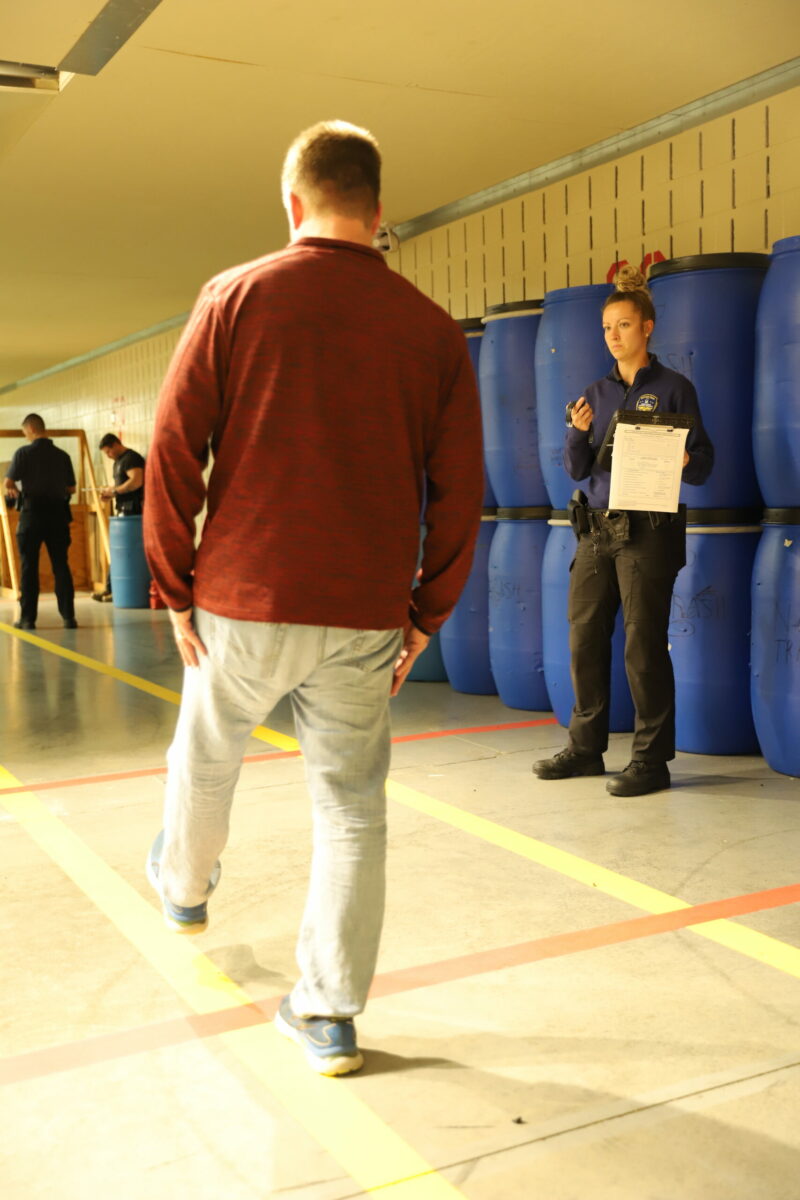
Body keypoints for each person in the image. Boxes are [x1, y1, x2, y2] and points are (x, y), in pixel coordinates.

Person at [143, 120, 483, 1075]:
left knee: (207, 759)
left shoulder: (236, 297)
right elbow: (462, 486)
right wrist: (428, 611)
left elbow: (173, 451)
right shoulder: (428, 331)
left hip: (242, 599)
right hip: (366, 612)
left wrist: (173, 586)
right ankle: (329, 1013)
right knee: (350, 810)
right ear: (380, 213)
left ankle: (184, 888)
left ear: (293, 203)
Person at [533, 266, 714, 798]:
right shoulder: (594, 392)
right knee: (584, 637)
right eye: (608, 327)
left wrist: (684, 457)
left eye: (624, 325)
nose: (614, 335)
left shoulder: (675, 389)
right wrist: (576, 432)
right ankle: (586, 751)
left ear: (648, 328)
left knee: (642, 646)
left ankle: (651, 762)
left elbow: (704, 463)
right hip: (594, 532)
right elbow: (577, 469)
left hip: (648, 533)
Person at [3, 414, 78, 631]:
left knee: (29, 567)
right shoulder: (62, 456)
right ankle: (69, 618)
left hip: (31, 514)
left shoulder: (23, 453)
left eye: (25, 431)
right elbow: (71, 488)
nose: (25, 435)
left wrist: (16, 492)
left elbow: (8, 482)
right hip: (57, 515)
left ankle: (28, 619)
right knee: (61, 566)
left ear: (31, 429)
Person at [93, 434, 145, 601]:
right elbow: (122, 485)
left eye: (109, 451)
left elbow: (136, 481)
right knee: (118, 552)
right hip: (123, 511)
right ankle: (111, 588)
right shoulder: (118, 462)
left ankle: (115, 589)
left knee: (126, 554)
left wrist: (115, 491)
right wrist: (111, 493)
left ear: (116, 444)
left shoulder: (131, 458)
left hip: (134, 511)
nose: (108, 456)